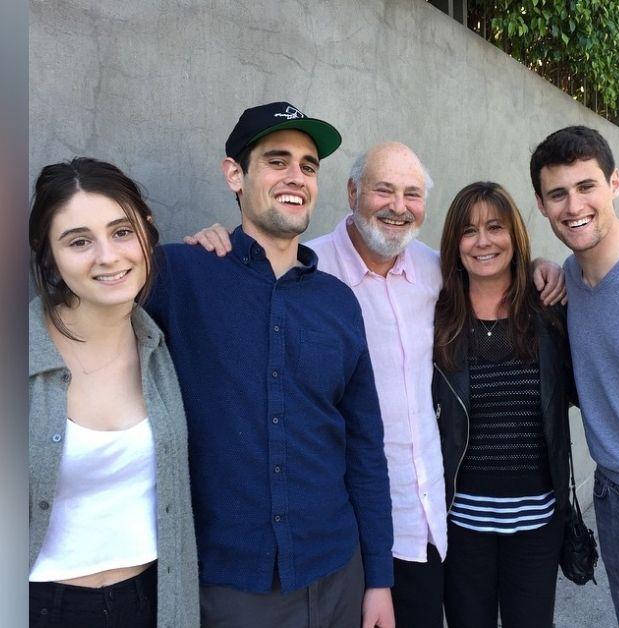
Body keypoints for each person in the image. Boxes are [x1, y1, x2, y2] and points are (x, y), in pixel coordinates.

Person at [186, 142, 566, 626]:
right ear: (351, 192)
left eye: (411, 194)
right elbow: (249, 273)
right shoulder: (309, 269)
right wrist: (217, 245)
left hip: (429, 522)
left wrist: (543, 269)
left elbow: (494, 272)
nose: (398, 206)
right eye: (383, 190)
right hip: (346, 528)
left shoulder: (437, 272)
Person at [143, 102, 396, 627]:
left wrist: (378, 580)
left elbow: (365, 446)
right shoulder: (181, 275)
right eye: (277, 160)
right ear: (235, 173)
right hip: (233, 588)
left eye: (308, 165)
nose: (296, 177)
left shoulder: (338, 302)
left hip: (337, 575)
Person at [28, 158, 200, 627]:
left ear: (147, 231)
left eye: (122, 231)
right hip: (43, 606)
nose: (107, 256)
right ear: (51, 256)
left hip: (151, 600)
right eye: (79, 241)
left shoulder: (161, 348)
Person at [431, 182, 574, 628]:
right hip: (462, 525)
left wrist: (554, 269)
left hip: (536, 524)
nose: (483, 241)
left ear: (515, 234)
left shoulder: (549, 307)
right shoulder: (436, 313)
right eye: (469, 231)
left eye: (495, 227)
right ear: (455, 243)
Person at [530, 126, 619, 628]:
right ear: (542, 205)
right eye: (558, 194)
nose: (574, 205)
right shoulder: (565, 281)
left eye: (586, 186)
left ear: (614, 183)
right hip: (615, 497)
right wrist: (538, 267)